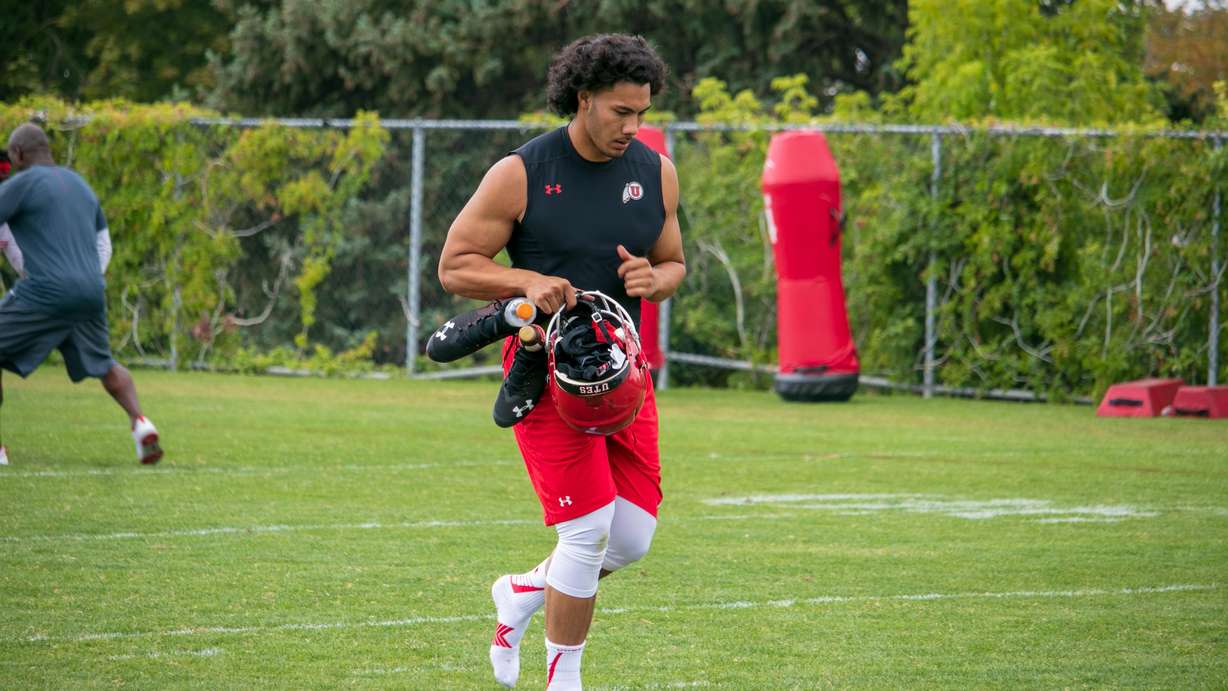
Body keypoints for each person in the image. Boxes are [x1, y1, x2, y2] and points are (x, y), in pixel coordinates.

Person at [438, 34, 685, 690]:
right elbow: (454, 265)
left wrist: (655, 280)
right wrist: (523, 282)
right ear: (583, 99)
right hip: (547, 375)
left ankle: (522, 590)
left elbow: (673, 261)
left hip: (625, 374)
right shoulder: (520, 172)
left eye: (641, 113)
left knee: (631, 538)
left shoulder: (655, 170)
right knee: (588, 531)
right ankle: (564, 679)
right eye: (619, 112)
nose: (631, 127)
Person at [0, 123, 162, 466]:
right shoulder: (81, 185)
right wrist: (86, 279)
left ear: (17, 154)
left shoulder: (22, 184)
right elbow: (103, 241)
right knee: (104, 364)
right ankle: (141, 423)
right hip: (90, 290)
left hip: (47, 290)